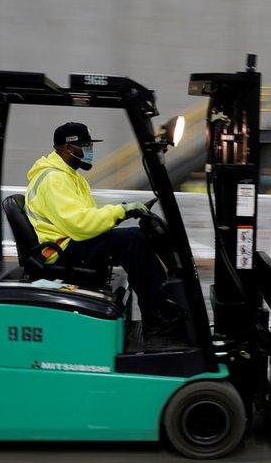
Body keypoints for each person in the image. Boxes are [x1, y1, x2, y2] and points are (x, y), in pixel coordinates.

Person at [25, 122, 170, 329]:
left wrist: (121, 213)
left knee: (135, 236)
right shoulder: (54, 179)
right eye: (85, 146)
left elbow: (88, 218)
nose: (89, 151)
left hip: (70, 242)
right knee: (132, 241)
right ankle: (156, 314)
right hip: (61, 250)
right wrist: (122, 211)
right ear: (68, 148)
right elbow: (80, 224)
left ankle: (160, 305)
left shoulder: (70, 177)